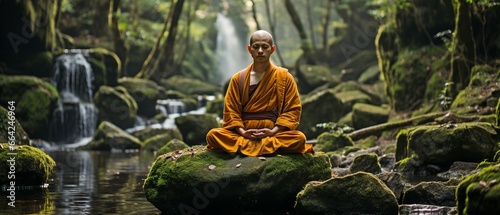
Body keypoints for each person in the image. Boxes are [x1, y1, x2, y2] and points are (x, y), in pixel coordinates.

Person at [205, 30, 314, 156]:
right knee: (213, 135)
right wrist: (243, 132)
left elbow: (292, 110)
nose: (260, 51)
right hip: (245, 132)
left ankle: (242, 148)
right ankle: (267, 147)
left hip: (272, 131)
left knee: (299, 138)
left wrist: (273, 131)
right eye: (256, 47)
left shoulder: (284, 77)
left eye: (265, 47)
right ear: (249, 49)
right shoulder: (238, 79)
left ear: (272, 49)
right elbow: (231, 111)